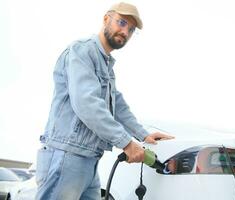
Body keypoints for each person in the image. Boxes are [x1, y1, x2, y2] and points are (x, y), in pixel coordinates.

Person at [35, 2, 174, 200]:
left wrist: (143, 135)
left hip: (89, 161)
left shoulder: (106, 66)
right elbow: (87, 104)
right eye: (122, 22)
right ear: (106, 19)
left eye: (131, 29)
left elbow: (118, 106)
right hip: (66, 156)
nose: (125, 31)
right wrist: (126, 143)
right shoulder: (82, 51)